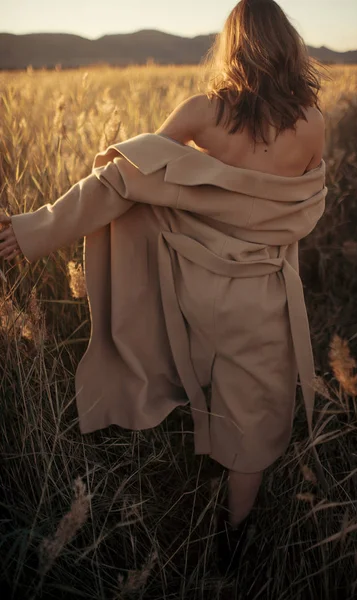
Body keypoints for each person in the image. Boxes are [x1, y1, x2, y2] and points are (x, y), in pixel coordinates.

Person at [0, 0, 328, 575]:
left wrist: (35, 229)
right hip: (266, 295)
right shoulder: (313, 122)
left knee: (194, 365)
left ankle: (182, 423)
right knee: (251, 420)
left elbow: (126, 178)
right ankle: (236, 543)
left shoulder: (205, 113)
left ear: (233, 46)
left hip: (196, 287)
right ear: (288, 45)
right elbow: (292, 208)